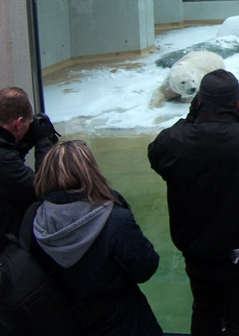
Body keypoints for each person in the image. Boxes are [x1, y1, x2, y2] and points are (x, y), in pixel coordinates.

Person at [148, 69, 239, 336]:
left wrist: (192, 117)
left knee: (204, 312)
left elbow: (158, 156)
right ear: (237, 103)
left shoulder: (172, 142)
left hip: (199, 253)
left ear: (198, 102)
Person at [30, 139, 162, 335]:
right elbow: (145, 268)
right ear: (89, 171)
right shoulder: (115, 219)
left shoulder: (32, 219)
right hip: (121, 321)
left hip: (65, 320)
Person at [0, 86, 56, 245]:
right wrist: (43, 142)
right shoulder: (4, 160)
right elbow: (44, 189)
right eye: (29, 123)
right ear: (19, 123)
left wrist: (21, 146)